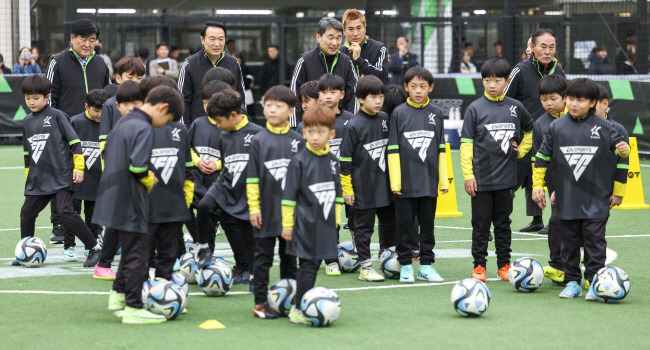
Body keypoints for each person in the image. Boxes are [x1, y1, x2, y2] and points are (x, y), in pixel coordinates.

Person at [532, 78, 629, 299]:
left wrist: (619, 190)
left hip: (597, 199)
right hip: (567, 199)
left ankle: (594, 282)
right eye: (571, 98)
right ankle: (572, 281)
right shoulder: (556, 127)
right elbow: (541, 158)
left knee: (595, 244)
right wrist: (538, 186)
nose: (574, 104)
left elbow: (623, 156)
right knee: (569, 244)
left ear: (593, 102)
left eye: (581, 100)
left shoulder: (605, 127)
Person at [97, 85, 183, 324]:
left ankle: (121, 298)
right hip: (130, 199)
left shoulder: (124, 122)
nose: (163, 124)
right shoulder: (144, 127)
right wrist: (149, 178)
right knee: (137, 255)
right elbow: (137, 166)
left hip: (113, 197)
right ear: (162, 108)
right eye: (167, 119)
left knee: (130, 252)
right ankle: (134, 307)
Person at [460, 58, 534, 282]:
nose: (492, 85)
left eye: (497, 80)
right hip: (481, 181)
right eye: (487, 80)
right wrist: (468, 175)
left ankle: (504, 265)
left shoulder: (515, 107)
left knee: (503, 225)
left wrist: (521, 150)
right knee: (480, 225)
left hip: (506, 180)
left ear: (507, 81)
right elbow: (466, 145)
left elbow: (531, 130)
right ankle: (479, 266)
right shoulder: (474, 109)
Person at [18, 75, 102, 268]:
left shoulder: (57, 116)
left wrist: (79, 168)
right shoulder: (26, 121)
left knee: (65, 211)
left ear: (47, 96)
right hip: (38, 179)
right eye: (28, 98)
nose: (31, 102)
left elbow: (75, 143)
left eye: (36, 98)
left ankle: (94, 247)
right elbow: (27, 153)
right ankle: (26, 250)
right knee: (27, 212)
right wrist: (28, 177)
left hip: (61, 176)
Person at [194, 90, 263, 287]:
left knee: (247, 235)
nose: (216, 126)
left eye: (218, 121)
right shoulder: (224, 135)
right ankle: (204, 246)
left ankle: (253, 275)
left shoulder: (257, 134)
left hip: (246, 191)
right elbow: (226, 165)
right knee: (204, 205)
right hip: (225, 183)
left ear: (233, 116)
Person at [281, 106, 343, 325]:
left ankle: (301, 303)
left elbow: (337, 195)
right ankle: (298, 309)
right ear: (303, 132)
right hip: (304, 225)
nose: (315, 137)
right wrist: (287, 225)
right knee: (308, 265)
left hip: (325, 226)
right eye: (310, 131)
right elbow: (288, 198)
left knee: (314, 265)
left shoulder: (334, 161)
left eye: (321, 132)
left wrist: (335, 222)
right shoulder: (299, 161)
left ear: (331, 134)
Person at [387, 66, 448, 283]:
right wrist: (395, 181)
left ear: (430, 87)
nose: (418, 91)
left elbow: (441, 148)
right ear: (406, 88)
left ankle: (426, 266)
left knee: (428, 227)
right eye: (413, 87)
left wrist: (443, 179)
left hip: (429, 183)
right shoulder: (398, 114)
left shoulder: (437, 114)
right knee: (404, 227)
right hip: (405, 184)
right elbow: (392, 149)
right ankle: (405, 266)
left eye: (423, 86)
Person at [247, 86, 302, 318]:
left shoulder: (299, 141)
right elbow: (251, 179)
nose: (272, 110)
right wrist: (254, 209)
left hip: (292, 216)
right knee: (263, 260)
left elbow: (304, 180)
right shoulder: (257, 140)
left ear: (290, 111)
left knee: (290, 259)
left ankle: (288, 301)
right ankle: (260, 302)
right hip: (266, 213)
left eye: (278, 106)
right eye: (268, 105)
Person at [505, 28, 566, 234]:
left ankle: (552, 221)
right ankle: (496, 222)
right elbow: (504, 101)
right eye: (543, 46)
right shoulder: (519, 71)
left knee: (554, 178)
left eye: (552, 47)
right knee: (510, 181)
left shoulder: (559, 71)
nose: (548, 51)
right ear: (531, 47)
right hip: (524, 138)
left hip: (554, 137)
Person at [297, 75, 354, 276]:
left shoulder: (349, 120)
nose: (328, 96)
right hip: (318, 184)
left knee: (350, 219)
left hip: (346, 182)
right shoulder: (305, 125)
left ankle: (355, 253)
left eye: (333, 92)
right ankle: (329, 259)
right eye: (324, 92)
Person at [340, 75, 396, 282]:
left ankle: (391, 261)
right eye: (373, 96)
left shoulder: (385, 119)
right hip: (363, 188)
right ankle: (365, 267)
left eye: (381, 96)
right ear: (361, 99)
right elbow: (344, 161)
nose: (379, 101)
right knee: (364, 229)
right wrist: (347, 189)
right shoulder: (353, 125)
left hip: (386, 187)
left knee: (390, 225)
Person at [92, 80, 145, 280]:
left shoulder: (141, 125)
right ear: (117, 106)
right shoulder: (122, 128)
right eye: (126, 104)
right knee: (121, 225)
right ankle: (108, 266)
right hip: (123, 184)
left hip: (134, 185)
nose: (132, 108)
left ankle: (105, 265)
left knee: (119, 225)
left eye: (137, 103)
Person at [147, 83, 194, 281]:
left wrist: (187, 199)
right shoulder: (138, 129)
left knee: (169, 252)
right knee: (144, 253)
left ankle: (165, 288)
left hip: (174, 204)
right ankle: (135, 294)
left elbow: (188, 167)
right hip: (146, 207)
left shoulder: (181, 129)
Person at [64, 89, 110, 262]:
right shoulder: (75, 122)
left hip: (97, 181)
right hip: (75, 178)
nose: (99, 115)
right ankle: (68, 246)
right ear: (86, 107)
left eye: (103, 111)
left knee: (94, 218)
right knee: (72, 214)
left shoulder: (109, 124)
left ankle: (91, 247)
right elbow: (66, 148)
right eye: (96, 110)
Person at [289, 17, 358, 127]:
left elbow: (354, 94)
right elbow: (294, 95)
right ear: (318, 37)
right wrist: (294, 126)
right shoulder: (305, 61)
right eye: (330, 38)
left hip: (342, 126)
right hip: (311, 126)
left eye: (339, 38)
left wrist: (353, 124)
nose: (335, 43)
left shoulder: (346, 62)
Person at [532, 75, 568, 285]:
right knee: (556, 223)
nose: (549, 104)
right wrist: (538, 187)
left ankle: (586, 266)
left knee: (582, 226)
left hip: (580, 183)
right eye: (544, 99)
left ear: (565, 98)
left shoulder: (576, 119)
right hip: (555, 185)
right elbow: (538, 159)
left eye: (553, 99)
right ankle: (558, 266)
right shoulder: (540, 124)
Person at [178, 22, 247, 128]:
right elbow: (182, 100)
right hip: (199, 129)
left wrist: (240, 128)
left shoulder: (233, 63)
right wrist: (186, 132)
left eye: (221, 39)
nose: (217, 44)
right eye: (212, 39)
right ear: (202, 40)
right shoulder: (190, 64)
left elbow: (240, 97)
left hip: (228, 129)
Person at [47, 18, 110, 117]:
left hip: (97, 127)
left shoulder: (101, 62)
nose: (87, 45)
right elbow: (49, 99)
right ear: (72, 38)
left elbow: (108, 94)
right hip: (68, 127)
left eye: (92, 40)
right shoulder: (57, 62)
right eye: (83, 40)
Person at [98, 57, 146, 152]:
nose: (135, 81)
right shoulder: (110, 104)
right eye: (130, 78)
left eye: (139, 78)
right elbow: (104, 138)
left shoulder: (147, 103)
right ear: (118, 78)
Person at [341, 9, 388, 82]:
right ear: (344, 31)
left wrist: (359, 60)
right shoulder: (340, 53)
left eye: (359, 28)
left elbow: (382, 77)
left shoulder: (379, 48)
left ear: (365, 28)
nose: (355, 33)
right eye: (351, 29)